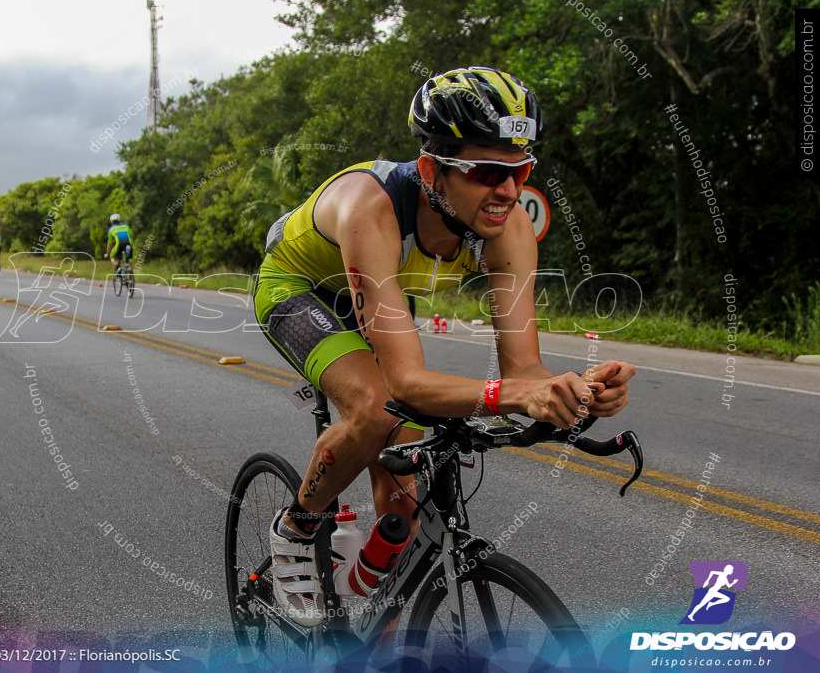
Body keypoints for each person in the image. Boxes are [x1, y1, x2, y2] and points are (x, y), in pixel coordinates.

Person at [253, 67, 636, 626]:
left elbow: (522, 366)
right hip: (300, 287)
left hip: (380, 291)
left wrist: (570, 393)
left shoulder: (510, 228)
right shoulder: (373, 208)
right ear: (432, 169)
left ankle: (366, 611)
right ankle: (298, 526)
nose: (508, 191)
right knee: (379, 405)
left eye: (521, 170)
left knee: (403, 493)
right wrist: (514, 396)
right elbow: (407, 386)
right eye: (486, 172)